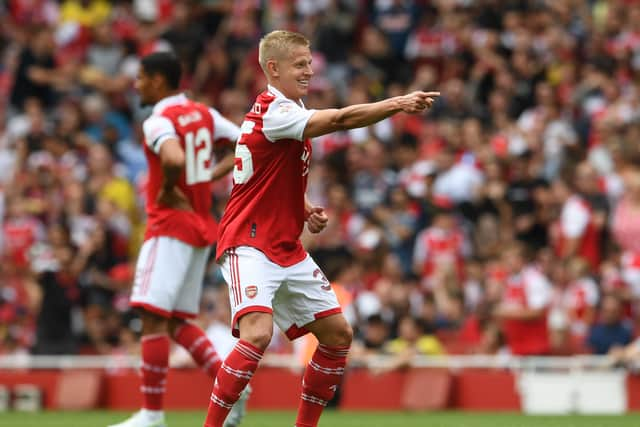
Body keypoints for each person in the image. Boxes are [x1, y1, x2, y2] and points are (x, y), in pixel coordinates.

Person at [203, 30, 438, 427]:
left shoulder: (281, 110)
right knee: (257, 335)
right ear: (272, 69)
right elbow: (343, 119)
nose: (310, 70)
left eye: (310, 62)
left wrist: (303, 205)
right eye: (300, 64)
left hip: (284, 244)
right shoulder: (277, 111)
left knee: (337, 335)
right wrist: (396, 103)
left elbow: (262, 175)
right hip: (249, 242)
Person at [109, 52, 244, 427]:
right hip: (201, 227)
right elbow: (244, 142)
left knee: (152, 319)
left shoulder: (158, 121)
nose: (135, 85)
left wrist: (170, 187)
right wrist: (206, 177)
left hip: (169, 225)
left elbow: (171, 158)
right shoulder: (204, 113)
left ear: (157, 80)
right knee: (175, 322)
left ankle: (151, 416)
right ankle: (229, 386)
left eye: (140, 77)